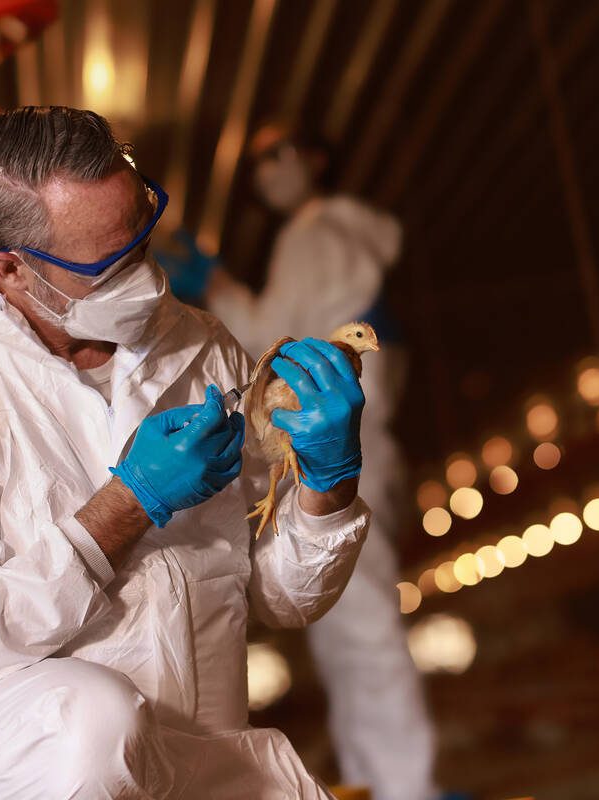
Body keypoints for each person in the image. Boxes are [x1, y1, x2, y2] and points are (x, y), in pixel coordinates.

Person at [0, 106, 372, 799]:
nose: (142, 272)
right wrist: (125, 506)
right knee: (87, 725)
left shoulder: (199, 345)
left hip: (199, 759)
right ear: (13, 270)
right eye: (109, 264)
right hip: (8, 772)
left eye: (141, 236)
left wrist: (327, 485)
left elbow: (280, 599)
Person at [207, 123, 437, 800]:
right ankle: (378, 777)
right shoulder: (332, 234)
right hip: (346, 441)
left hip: (339, 446)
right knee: (343, 624)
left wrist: (214, 284)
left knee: (359, 623)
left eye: (278, 153)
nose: (266, 170)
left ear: (315, 158)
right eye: (256, 163)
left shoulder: (318, 232)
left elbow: (265, 333)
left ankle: (402, 784)